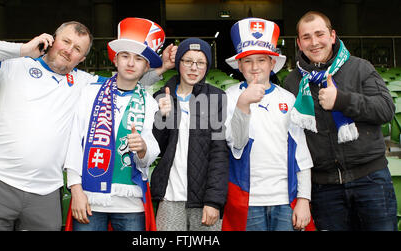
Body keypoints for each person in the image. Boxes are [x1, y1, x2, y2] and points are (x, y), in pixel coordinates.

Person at [0, 20, 173, 231]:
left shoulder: (84, 82)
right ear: (51, 40)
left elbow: (126, 83)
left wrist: (160, 68)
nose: (69, 50)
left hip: (47, 190)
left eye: (77, 48)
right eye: (66, 41)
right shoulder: (16, 65)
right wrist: (23, 49)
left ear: (82, 58)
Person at [284, 11, 397, 231]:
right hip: (325, 189)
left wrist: (342, 100)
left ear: (333, 35)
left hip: (370, 180)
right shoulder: (292, 82)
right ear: (299, 43)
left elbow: (385, 110)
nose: (314, 42)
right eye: (306, 37)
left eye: (320, 34)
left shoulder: (360, 67)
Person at [64, 17, 163, 231]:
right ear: (115, 60)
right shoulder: (90, 92)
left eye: (138, 59)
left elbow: (149, 155)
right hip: (89, 198)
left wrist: (143, 148)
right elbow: (74, 141)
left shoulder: (149, 103)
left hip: (130, 201)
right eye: (125, 56)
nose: (130, 63)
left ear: (146, 66)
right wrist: (76, 189)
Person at [221, 17, 314, 231]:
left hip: (284, 197)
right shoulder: (229, 96)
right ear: (239, 65)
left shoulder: (288, 99)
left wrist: (304, 198)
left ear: (272, 64)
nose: (255, 67)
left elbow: (301, 152)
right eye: (248, 61)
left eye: (261, 60)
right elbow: (236, 144)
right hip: (247, 199)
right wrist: (243, 104)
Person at [151, 38, 229, 231]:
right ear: (179, 64)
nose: (194, 68)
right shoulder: (162, 95)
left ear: (207, 66)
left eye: (200, 62)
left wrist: (214, 201)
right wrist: (161, 117)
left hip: (204, 200)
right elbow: (155, 149)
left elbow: (219, 153)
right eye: (188, 61)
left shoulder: (216, 98)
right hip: (169, 196)